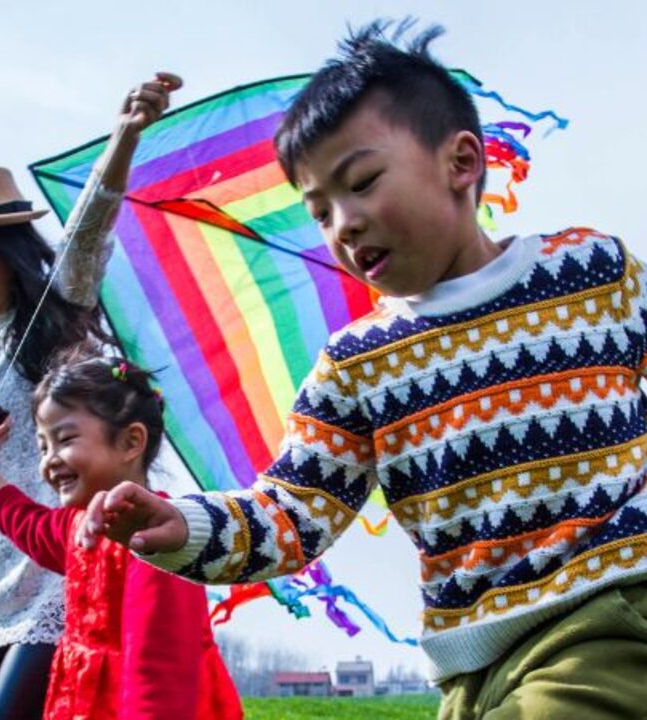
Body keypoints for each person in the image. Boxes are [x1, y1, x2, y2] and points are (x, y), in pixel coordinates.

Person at [78, 20, 647, 720]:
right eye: (319, 210)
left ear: (462, 163)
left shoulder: (591, 274)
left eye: (362, 183)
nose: (341, 223)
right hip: (470, 668)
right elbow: (292, 514)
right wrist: (185, 526)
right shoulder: (357, 365)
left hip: (604, 618)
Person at [0, 73, 181, 719]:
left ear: (8, 252)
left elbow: (87, 234)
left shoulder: (44, 319)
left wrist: (124, 136)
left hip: (63, 578)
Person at [0, 354, 243, 720]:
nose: (49, 460)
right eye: (43, 446)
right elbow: (27, 524)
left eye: (65, 440)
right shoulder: (77, 526)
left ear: (130, 442)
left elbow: (161, 678)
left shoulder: (158, 535)